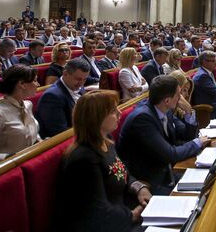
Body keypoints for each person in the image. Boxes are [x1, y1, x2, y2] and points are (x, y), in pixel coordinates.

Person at [57, 90, 152, 232]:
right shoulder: (83, 159)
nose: (120, 113)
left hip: (121, 212)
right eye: (113, 111)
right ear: (96, 118)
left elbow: (122, 172)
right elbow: (98, 212)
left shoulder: (106, 141)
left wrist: (139, 187)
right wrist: (133, 214)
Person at [118, 76, 210, 194]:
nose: (182, 98)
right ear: (167, 100)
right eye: (178, 95)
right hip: (148, 181)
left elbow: (186, 136)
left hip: (165, 170)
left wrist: (189, 111)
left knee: (207, 182)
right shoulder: (142, 119)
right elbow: (170, 154)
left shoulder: (163, 109)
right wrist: (198, 143)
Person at [36, 58, 90, 138]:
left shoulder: (77, 85)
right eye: (78, 79)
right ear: (65, 73)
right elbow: (59, 132)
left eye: (84, 79)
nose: (81, 83)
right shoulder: (52, 97)